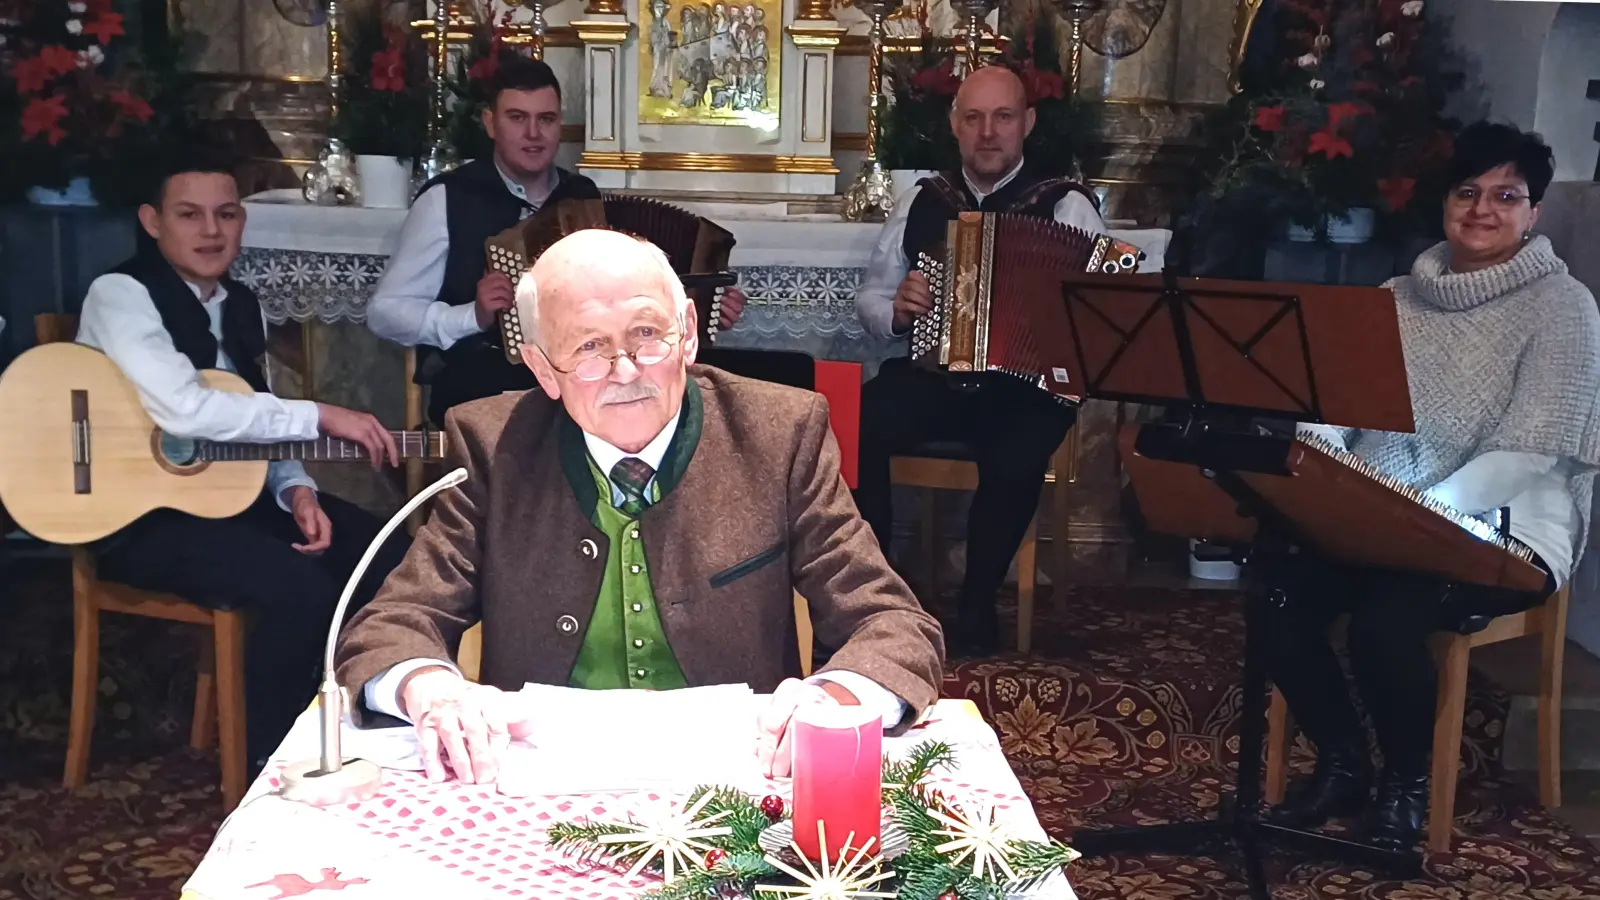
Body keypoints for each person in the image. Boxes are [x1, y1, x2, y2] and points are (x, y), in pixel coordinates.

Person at [335, 229, 945, 785]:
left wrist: (835, 695)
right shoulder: (492, 446)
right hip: (534, 784)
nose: (626, 371)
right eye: (590, 348)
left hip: (739, 784)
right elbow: (391, 624)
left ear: (689, 331)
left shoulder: (780, 433)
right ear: (544, 370)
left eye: (647, 334)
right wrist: (431, 689)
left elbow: (892, 624)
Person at [1267, 122, 1600, 852]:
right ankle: (1345, 762)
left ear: (1534, 211)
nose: (1483, 208)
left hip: (1505, 532)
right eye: (1467, 192)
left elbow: (1530, 452)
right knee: (1277, 597)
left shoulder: (1564, 307)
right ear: (1445, 203)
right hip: (1378, 519)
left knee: (1387, 623)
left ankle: (1405, 787)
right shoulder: (1394, 294)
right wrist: (1325, 472)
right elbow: (1334, 412)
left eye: (1506, 195)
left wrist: (1412, 518)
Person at [74, 153, 413, 775]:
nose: (211, 230)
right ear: (152, 221)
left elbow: (251, 415)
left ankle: (374, 727)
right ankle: (272, 759)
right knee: (300, 590)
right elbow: (186, 411)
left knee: (389, 553)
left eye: (226, 214)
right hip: (139, 515)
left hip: (227, 500)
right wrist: (320, 414)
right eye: (190, 214)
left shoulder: (241, 305)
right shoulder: (120, 296)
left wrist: (296, 491)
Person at [852, 65, 1106, 655]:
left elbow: (1103, 312)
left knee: (1016, 448)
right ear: (954, 125)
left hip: (1025, 389)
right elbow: (870, 297)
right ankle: (875, 592)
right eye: (974, 118)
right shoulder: (923, 201)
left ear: (1027, 124)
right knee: (852, 420)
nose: (987, 132)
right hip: (936, 378)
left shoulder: (1064, 206)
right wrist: (898, 308)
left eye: (1003, 117)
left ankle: (977, 605)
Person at [367, 56, 745, 426]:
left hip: (580, 385)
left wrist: (703, 304)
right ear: (490, 123)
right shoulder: (446, 200)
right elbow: (385, 312)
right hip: (480, 387)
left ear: (559, 124)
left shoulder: (582, 196)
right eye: (517, 118)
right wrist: (471, 316)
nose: (533, 134)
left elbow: (621, 297)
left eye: (545, 119)